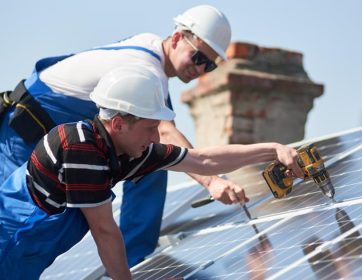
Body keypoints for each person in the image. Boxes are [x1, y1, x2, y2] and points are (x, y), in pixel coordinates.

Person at [0, 65, 303, 279]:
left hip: (30, 251)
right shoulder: (80, 148)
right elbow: (105, 231)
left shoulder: (129, 150)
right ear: (118, 124)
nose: (156, 138)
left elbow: (204, 162)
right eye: (150, 128)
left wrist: (273, 149)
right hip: (10, 239)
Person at [0, 5, 243, 266]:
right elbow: (165, 131)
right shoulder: (145, 68)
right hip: (22, 135)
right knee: (13, 229)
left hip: (46, 137)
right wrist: (211, 181)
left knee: (150, 161)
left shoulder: (149, 51)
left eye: (209, 66)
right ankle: (134, 257)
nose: (200, 69)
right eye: (198, 58)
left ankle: (133, 258)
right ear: (176, 38)